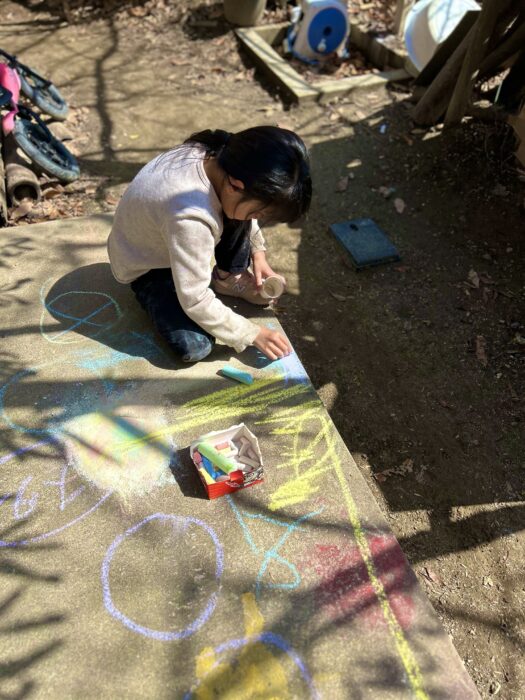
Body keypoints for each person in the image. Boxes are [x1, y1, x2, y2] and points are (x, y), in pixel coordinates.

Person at [107, 126, 312, 363]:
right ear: (235, 185)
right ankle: (155, 291)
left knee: (239, 213)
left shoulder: (219, 154)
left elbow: (245, 209)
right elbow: (195, 299)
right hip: (147, 265)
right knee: (196, 345)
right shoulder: (190, 216)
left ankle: (228, 277)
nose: (257, 219)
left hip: (167, 235)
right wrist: (252, 333)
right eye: (259, 212)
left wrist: (258, 253)